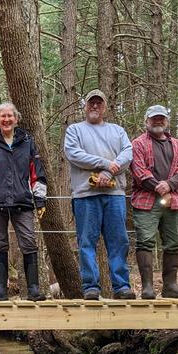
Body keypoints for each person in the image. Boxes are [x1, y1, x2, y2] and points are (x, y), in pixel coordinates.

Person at [63, 89, 134, 300]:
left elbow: (127, 153)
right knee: (86, 242)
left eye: (99, 103)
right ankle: (90, 286)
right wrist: (104, 164)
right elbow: (74, 154)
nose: (95, 106)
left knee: (119, 241)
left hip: (114, 194)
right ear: (85, 106)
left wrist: (109, 171)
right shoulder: (74, 130)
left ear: (105, 107)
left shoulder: (117, 131)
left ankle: (121, 286)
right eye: (91, 103)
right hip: (85, 194)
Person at [0, 102, 47, 301]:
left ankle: (33, 289)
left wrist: (40, 200)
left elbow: (37, 174)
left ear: (16, 119)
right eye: (2, 116)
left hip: (23, 201)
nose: (6, 120)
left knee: (29, 243)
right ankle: (0, 290)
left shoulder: (28, 143)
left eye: (10, 116)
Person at [130, 104, 178, 300]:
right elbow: (139, 172)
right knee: (145, 241)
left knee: (174, 242)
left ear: (166, 121)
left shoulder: (177, 144)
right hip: (146, 200)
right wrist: (158, 186)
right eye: (154, 118)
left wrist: (169, 185)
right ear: (146, 121)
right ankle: (147, 288)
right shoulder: (138, 144)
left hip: (172, 200)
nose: (158, 121)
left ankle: (170, 286)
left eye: (161, 118)